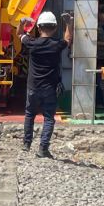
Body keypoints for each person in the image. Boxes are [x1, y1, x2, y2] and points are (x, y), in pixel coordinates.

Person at [19, 11, 73, 158]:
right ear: (55, 28)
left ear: (38, 27)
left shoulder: (32, 43)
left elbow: (20, 35)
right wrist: (69, 23)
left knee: (30, 114)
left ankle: (26, 143)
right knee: (49, 117)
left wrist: (22, 23)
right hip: (50, 88)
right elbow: (68, 39)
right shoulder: (56, 45)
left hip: (33, 87)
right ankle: (43, 149)